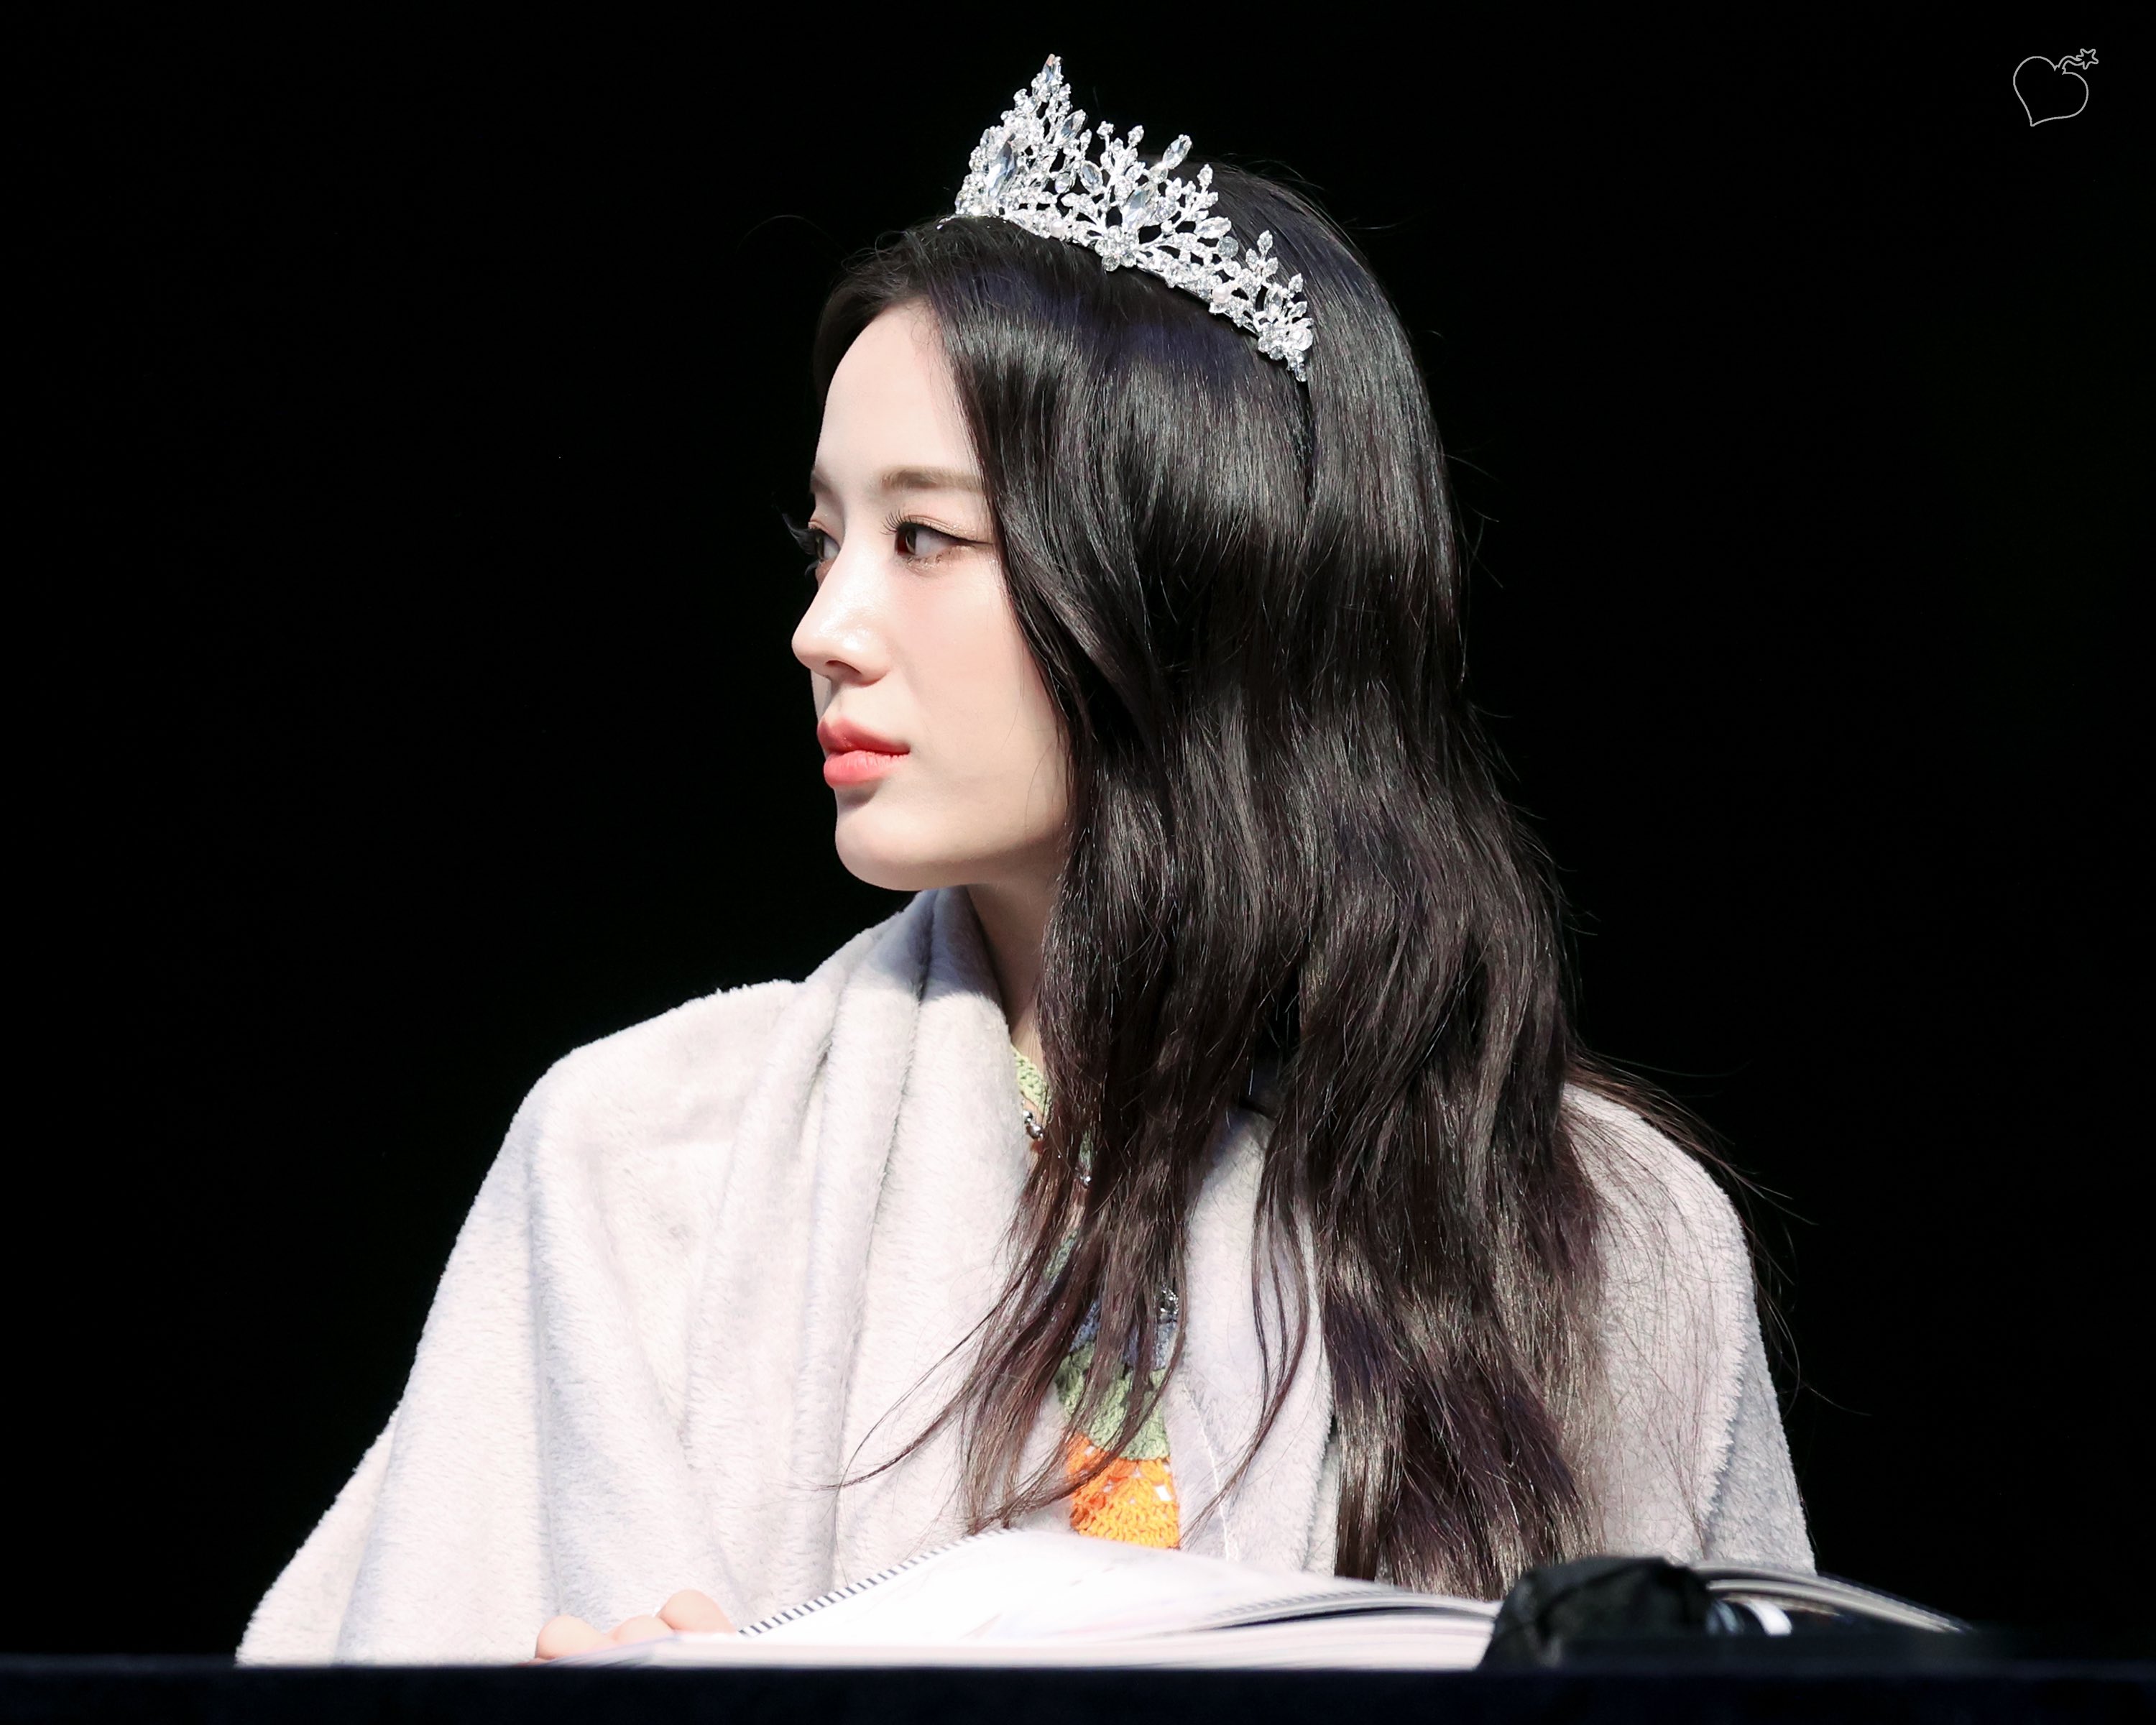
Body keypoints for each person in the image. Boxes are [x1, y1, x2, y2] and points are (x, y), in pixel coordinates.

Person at [238, 57, 1809, 1666]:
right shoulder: (645, 1165)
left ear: (1182, 581)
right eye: (826, 541)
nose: (824, 629)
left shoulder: (1610, 1243)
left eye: (924, 537)